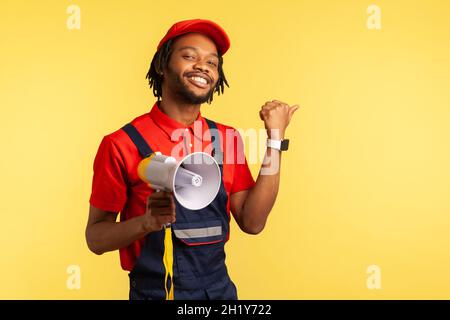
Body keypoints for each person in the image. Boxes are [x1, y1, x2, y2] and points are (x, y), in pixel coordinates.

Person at [85, 18, 299, 300]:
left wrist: (274, 140)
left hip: (218, 292)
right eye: (189, 56)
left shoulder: (227, 138)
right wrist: (146, 223)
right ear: (162, 65)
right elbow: (96, 238)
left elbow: (253, 221)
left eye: (212, 63)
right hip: (154, 293)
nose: (203, 67)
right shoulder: (121, 143)